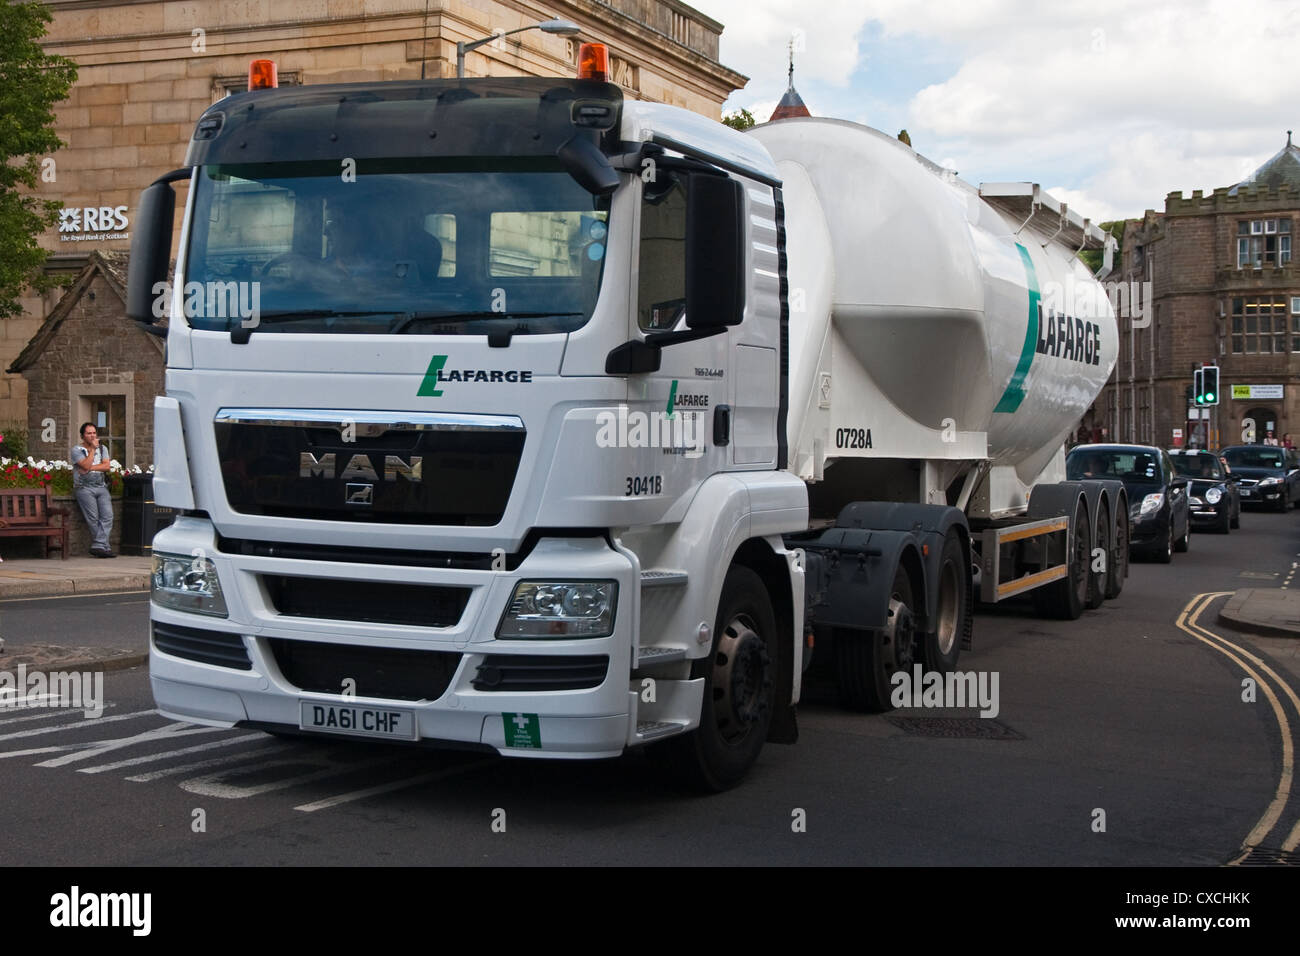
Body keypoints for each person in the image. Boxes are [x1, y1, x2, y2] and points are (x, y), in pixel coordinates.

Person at [72, 422, 115, 558]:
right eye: (88, 433)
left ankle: (98, 546)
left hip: (101, 486)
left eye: (94, 433)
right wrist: (91, 451)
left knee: (108, 516)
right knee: (93, 519)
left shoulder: (103, 449)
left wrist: (89, 468)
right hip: (84, 488)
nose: (92, 436)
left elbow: (106, 466)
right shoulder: (77, 450)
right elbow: (84, 463)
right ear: (82, 436)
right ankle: (104, 548)